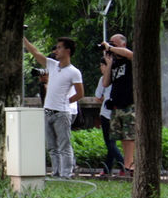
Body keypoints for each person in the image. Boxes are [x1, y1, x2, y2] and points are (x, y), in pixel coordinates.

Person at [23, 36, 84, 179]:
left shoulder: (74, 72)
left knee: (64, 145)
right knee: (52, 147)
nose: (56, 50)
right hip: (48, 111)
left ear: (67, 51)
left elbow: (80, 93)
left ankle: (66, 175)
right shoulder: (52, 65)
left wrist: (66, 101)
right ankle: (56, 173)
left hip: (62, 113)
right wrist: (24, 40)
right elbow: (36, 53)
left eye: (59, 47)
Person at [100, 34, 134, 174]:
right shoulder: (114, 64)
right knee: (121, 138)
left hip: (129, 103)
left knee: (130, 136)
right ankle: (127, 165)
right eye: (110, 43)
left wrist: (110, 47)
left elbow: (130, 54)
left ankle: (130, 166)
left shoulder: (129, 60)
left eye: (114, 44)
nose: (111, 46)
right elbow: (106, 83)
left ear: (123, 44)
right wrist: (108, 65)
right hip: (116, 105)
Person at [95, 65, 125, 177]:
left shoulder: (103, 78)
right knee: (112, 143)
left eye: (102, 65)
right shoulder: (120, 77)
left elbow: (98, 96)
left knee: (110, 143)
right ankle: (107, 169)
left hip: (106, 113)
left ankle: (124, 165)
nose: (101, 68)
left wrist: (104, 98)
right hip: (118, 112)